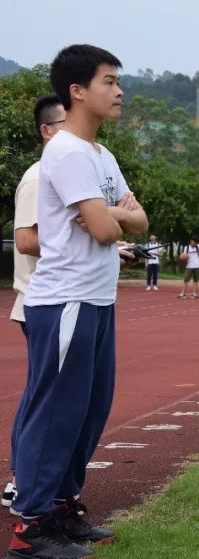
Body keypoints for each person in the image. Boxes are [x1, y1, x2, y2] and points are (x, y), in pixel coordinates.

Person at [13, 44, 148, 558]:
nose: (119, 91)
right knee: (55, 414)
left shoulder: (101, 155)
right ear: (78, 91)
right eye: (109, 82)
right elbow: (102, 227)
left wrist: (115, 216)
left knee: (89, 411)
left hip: (96, 299)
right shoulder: (66, 151)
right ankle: (30, 526)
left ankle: (63, 508)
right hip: (65, 300)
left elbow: (138, 220)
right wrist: (114, 216)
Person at [6, 96, 66, 512]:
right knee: (42, 395)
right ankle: (19, 481)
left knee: (53, 395)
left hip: (63, 297)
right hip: (39, 300)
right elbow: (27, 240)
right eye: (67, 122)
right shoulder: (36, 176)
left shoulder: (65, 172)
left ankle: (40, 482)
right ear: (47, 130)